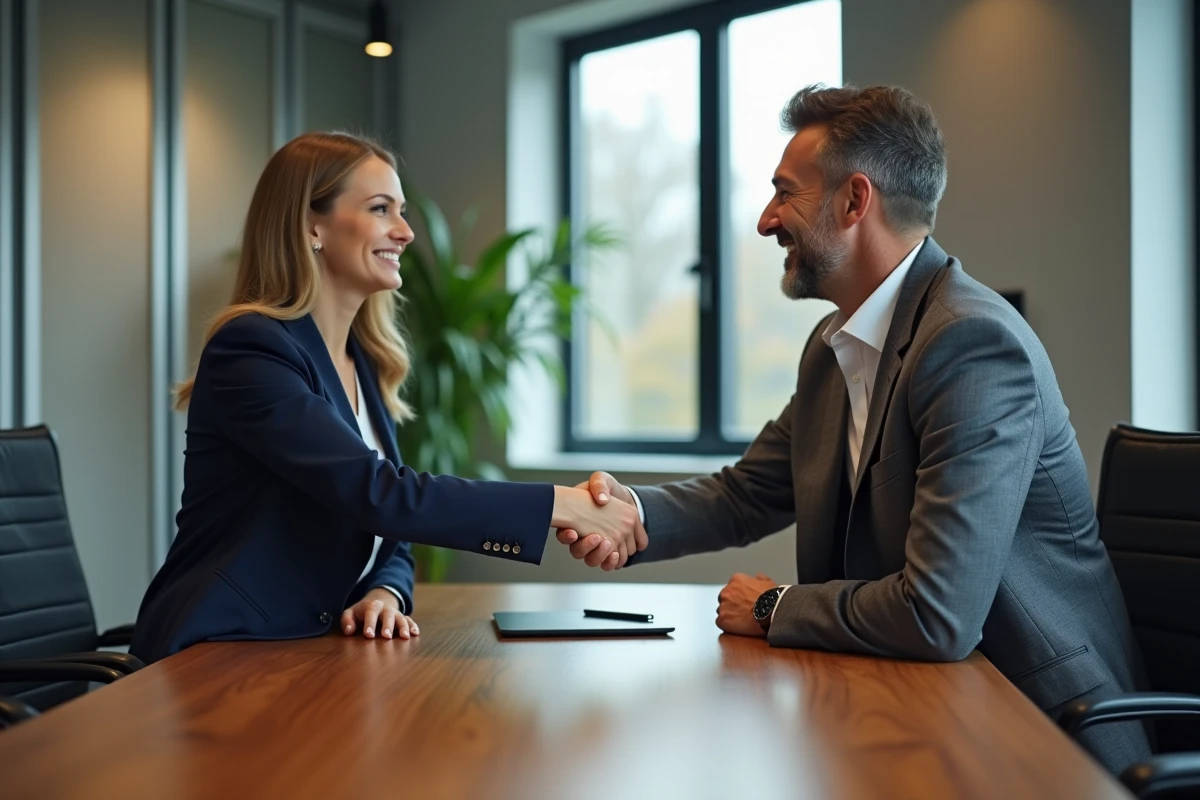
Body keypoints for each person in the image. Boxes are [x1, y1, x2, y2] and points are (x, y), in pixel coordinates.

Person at [558, 85, 1150, 774]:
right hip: (918, 706)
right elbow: (747, 494)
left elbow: (938, 613)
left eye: (785, 193)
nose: (764, 220)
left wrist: (776, 606)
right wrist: (628, 513)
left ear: (854, 201)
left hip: (1040, 735)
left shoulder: (972, 345)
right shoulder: (833, 347)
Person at [131, 132, 642, 664]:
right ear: (312, 226)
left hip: (305, 652)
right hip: (217, 652)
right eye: (381, 209)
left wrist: (385, 592)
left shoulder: (363, 362)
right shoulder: (251, 349)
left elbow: (392, 535)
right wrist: (563, 506)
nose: (405, 232)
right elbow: (378, 494)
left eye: (401, 211)